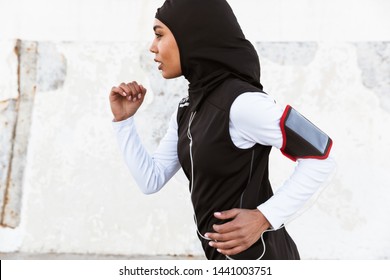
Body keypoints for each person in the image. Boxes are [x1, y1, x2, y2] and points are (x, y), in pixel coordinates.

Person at [109, 0, 335, 260]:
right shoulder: (187, 109)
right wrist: (124, 122)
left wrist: (265, 217)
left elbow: (322, 155)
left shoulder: (243, 103)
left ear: (191, 36)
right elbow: (151, 179)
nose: (152, 47)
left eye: (160, 35)